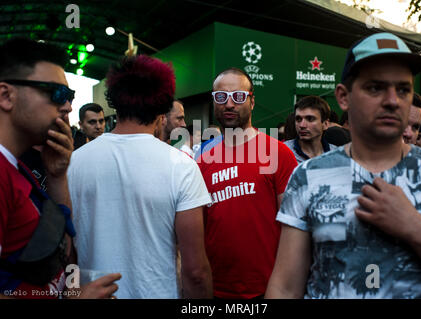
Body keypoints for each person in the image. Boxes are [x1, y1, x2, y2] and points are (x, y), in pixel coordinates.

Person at [266, 32, 421, 299]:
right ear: (343, 97)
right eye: (375, 87)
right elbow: (284, 287)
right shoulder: (308, 177)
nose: (392, 100)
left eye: (403, 89)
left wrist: (413, 226)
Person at [68, 55, 213, 299]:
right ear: (161, 109)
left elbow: (66, 254)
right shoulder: (181, 167)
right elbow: (195, 271)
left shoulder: (74, 163)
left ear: (115, 100)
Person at [0, 37, 120, 299]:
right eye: (56, 93)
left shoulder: (17, 167)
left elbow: (62, 249)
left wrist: (57, 175)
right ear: (6, 96)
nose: (67, 106)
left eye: (70, 96)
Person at [197, 67, 298, 299]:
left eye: (238, 96)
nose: (229, 104)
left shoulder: (278, 154)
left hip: (268, 289)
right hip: (216, 290)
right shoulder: (202, 163)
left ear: (252, 102)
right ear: (214, 103)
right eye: (221, 97)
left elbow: (294, 229)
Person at [284, 96, 337, 164]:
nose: (302, 125)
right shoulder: (282, 152)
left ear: (325, 124)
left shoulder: (337, 156)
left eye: (310, 119)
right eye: (298, 119)